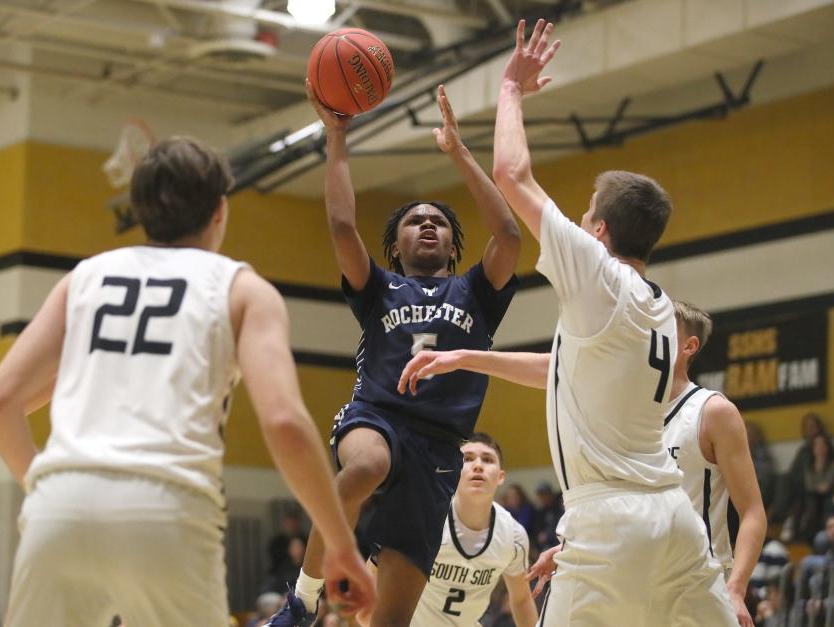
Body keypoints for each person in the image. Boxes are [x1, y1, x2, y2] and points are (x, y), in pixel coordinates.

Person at [401, 18, 737, 625]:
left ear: (600, 232)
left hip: (610, 520)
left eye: (584, 217)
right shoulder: (658, 306)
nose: (577, 225)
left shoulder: (598, 275)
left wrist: (510, 89)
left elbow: (514, 176)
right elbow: (562, 371)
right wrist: (464, 356)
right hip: (674, 516)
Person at [0, 137, 375, 627]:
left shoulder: (84, 278)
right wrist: (339, 544)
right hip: (168, 505)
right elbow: (285, 422)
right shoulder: (242, 288)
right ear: (219, 211)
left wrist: (46, 488)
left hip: (59, 504)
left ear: (140, 209)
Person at [266, 81, 521, 627]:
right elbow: (339, 225)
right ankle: (304, 601)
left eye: (439, 222)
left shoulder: (476, 293)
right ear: (395, 243)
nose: (427, 223)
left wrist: (457, 150)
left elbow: (508, 232)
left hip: (439, 447)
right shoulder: (378, 287)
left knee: (392, 621)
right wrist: (337, 136)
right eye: (414, 220)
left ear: (454, 245)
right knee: (367, 465)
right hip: (376, 417)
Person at [662, 300, 767, 627]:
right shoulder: (628, 414)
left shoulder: (712, 411)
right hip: (641, 579)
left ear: (688, 346)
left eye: (661, 328)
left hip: (701, 581)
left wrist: (736, 589)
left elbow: (752, 512)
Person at [408, 433, 537, 627]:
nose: (478, 465)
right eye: (467, 459)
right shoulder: (426, 518)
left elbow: (521, 600)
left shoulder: (514, 535)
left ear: (501, 476)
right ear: (453, 470)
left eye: (487, 459)